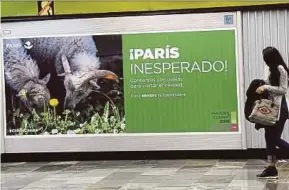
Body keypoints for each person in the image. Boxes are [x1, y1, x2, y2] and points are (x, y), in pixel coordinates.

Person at [255, 46, 289, 179]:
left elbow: (283, 89)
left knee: (273, 138)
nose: (265, 61)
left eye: (266, 59)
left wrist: (266, 87)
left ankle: (271, 168)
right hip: (271, 108)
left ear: (271, 58)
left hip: (280, 109)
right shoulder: (269, 69)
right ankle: (271, 168)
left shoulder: (280, 69)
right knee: (269, 138)